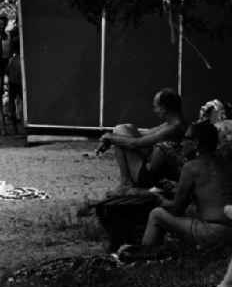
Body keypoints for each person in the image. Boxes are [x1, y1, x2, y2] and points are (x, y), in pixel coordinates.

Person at [136, 120, 232, 249]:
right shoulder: (227, 163)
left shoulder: (191, 167)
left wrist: (158, 199)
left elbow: (177, 209)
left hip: (213, 232)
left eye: (186, 139)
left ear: (196, 143)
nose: (181, 143)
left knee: (157, 214)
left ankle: (146, 254)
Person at [97, 87, 188, 192]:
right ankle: (126, 181)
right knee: (123, 128)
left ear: (164, 108)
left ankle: (126, 182)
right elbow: (143, 134)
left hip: (151, 178)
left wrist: (110, 138)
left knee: (120, 134)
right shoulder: (171, 123)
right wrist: (111, 137)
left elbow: (136, 143)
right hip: (151, 170)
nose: (155, 111)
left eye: (156, 107)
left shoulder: (175, 127)